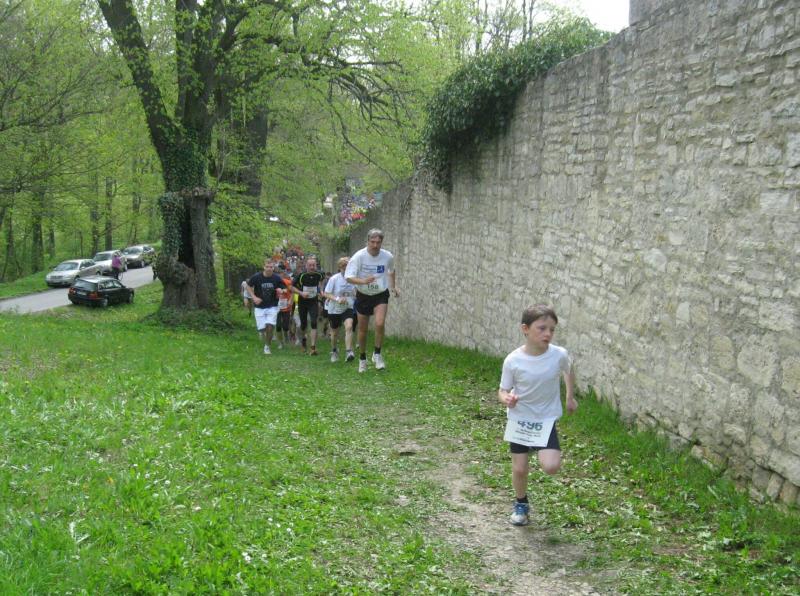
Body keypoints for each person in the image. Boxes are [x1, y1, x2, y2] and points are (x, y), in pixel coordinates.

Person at [498, 305, 577, 526]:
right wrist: (506, 398)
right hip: (520, 419)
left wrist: (570, 397)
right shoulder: (513, 360)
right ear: (525, 329)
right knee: (520, 468)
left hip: (545, 419)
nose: (548, 334)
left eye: (552, 329)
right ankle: (521, 504)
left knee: (551, 466)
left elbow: (569, 369)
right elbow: (502, 390)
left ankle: (538, 447)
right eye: (542, 328)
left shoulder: (558, 355)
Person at [345, 228, 399, 373]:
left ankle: (377, 354)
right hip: (363, 295)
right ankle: (362, 359)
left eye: (378, 242)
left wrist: (393, 287)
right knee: (362, 329)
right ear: (367, 241)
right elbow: (348, 277)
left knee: (380, 323)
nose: (375, 245)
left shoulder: (387, 256)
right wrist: (363, 281)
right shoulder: (359, 256)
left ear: (382, 242)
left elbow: (391, 270)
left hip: (380, 294)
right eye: (372, 242)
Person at [247, 260, 290, 355]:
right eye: (267, 267)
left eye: (271, 267)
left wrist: (281, 291)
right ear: (264, 267)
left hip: (272, 306)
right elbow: (248, 286)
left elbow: (285, 289)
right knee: (262, 329)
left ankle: (267, 346)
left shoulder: (277, 278)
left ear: (273, 268)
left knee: (270, 326)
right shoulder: (257, 277)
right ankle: (264, 334)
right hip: (259, 307)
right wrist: (254, 297)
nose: (269, 269)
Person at [324, 257, 357, 363]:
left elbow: (355, 291)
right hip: (334, 309)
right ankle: (334, 351)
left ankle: (349, 352)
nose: (346, 268)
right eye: (344, 266)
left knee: (349, 326)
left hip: (348, 307)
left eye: (348, 266)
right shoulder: (334, 279)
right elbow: (326, 293)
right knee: (334, 333)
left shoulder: (353, 279)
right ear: (340, 267)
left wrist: (356, 294)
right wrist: (338, 299)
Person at [292, 256, 325, 355]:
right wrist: (301, 293)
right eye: (310, 265)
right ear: (306, 266)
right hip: (302, 302)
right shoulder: (301, 275)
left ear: (316, 266)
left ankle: (313, 348)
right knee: (303, 324)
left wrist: (321, 290)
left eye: (313, 265)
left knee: (314, 322)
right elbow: (291, 287)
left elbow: (321, 280)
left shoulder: (319, 274)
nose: (312, 267)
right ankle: (303, 341)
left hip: (313, 301)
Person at [275, 265, 293, 348]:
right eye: (277, 274)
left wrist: (290, 300)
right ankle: (280, 343)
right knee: (278, 326)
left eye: (280, 274)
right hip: (276, 307)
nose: (279, 276)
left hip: (286, 306)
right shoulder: (273, 283)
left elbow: (292, 292)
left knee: (285, 326)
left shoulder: (287, 282)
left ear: (283, 274)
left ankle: (286, 336)